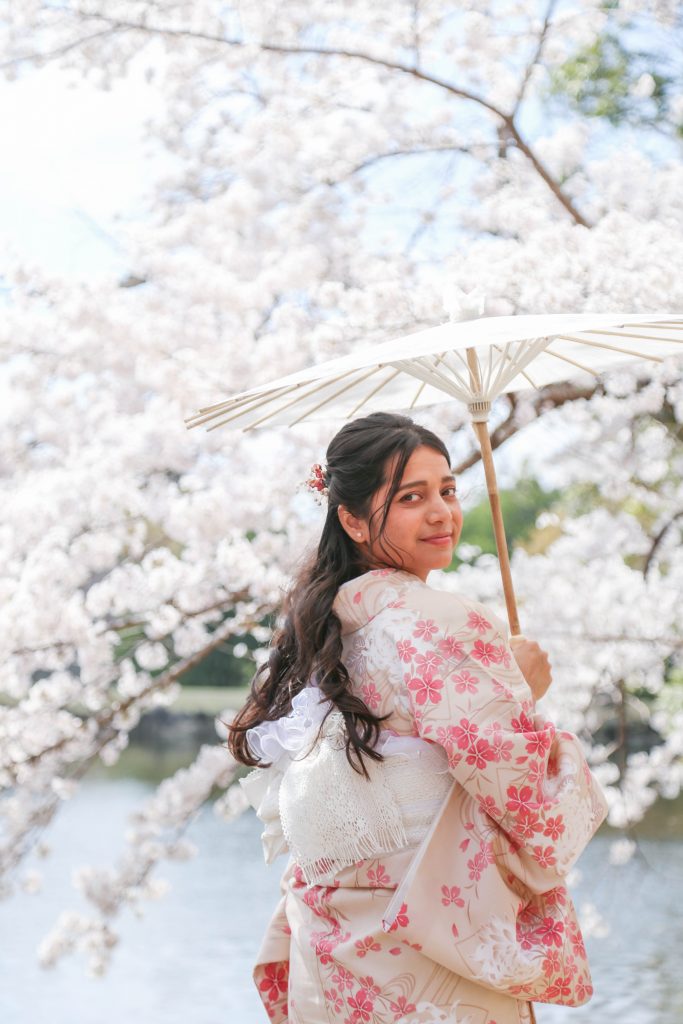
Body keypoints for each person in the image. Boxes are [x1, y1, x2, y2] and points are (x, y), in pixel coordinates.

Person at [228, 411, 608, 1024]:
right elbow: (526, 796)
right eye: (412, 497)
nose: (442, 513)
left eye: (448, 490)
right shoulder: (441, 619)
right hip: (426, 958)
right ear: (351, 519)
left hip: (333, 954)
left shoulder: (324, 631)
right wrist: (523, 690)